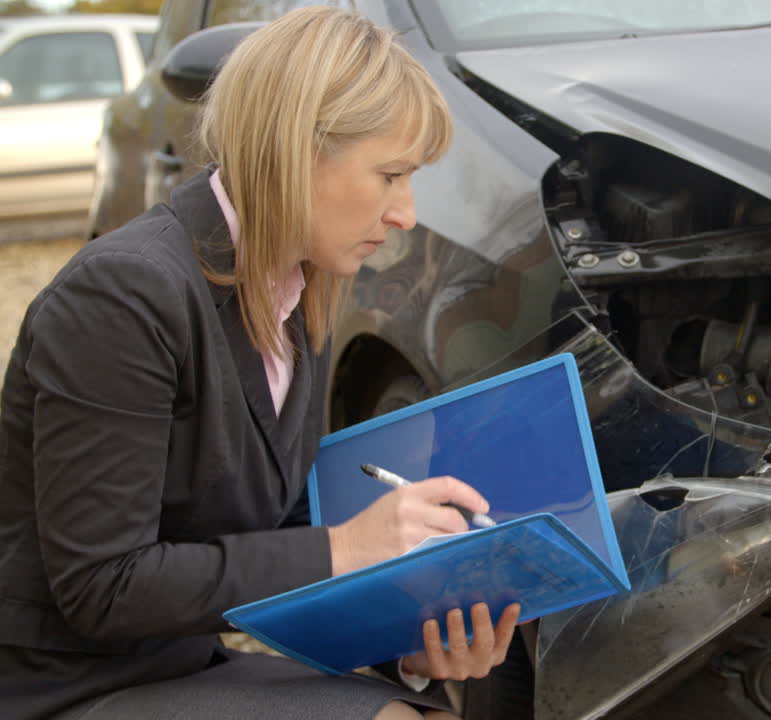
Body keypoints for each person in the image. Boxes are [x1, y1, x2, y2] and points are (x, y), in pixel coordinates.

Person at [0, 7, 519, 719]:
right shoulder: (123, 296)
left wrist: (408, 642)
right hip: (60, 685)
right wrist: (344, 547)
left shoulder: (298, 292)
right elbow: (102, 586)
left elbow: (270, 532)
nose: (406, 213)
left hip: (177, 661)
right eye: (391, 175)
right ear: (295, 150)